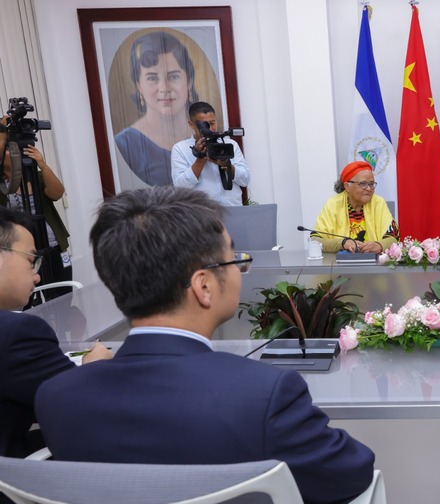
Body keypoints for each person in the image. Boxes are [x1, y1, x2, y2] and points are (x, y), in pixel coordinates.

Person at [34, 186, 375, 504]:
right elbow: (351, 473)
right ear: (204, 287)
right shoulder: (263, 394)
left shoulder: (58, 397)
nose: (241, 268)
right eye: (234, 258)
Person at [0, 207, 109, 459]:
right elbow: (79, 405)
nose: (37, 276)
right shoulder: (17, 333)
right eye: (31, 261)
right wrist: (94, 367)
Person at [115, 31, 199, 186]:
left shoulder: (209, 133)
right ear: (139, 85)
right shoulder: (124, 145)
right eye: (152, 78)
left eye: (173, 76)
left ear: (189, 81)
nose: (164, 88)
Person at [1, 131, 74, 302]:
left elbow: (57, 193)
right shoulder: (2, 186)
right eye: (9, 149)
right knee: (25, 301)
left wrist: (42, 164)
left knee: (62, 299)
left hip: (52, 246)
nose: (17, 153)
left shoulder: (36, 177)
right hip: (20, 252)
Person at [171, 101, 250, 206]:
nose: (210, 129)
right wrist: (200, 159)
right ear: (191, 124)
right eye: (204, 125)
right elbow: (180, 187)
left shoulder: (230, 144)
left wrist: (226, 165)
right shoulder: (180, 148)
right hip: (202, 211)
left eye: (212, 123)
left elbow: (245, 180)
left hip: (232, 207)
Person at [312, 160, 398, 254]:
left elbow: (394, 237)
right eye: (363, 184)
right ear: (347, 186)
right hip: (340, 261)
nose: (369, 188)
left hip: (373, 261)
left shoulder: (378, 202)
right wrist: (342, 243)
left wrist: (380, 245)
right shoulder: (333, 204)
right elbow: (315, 240)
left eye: (371, 184)